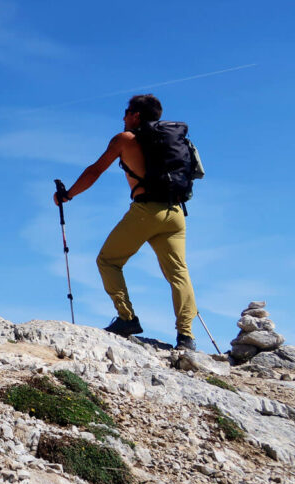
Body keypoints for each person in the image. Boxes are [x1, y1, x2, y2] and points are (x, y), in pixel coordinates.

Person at [53, 94, 198, 350]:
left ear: (136, 116)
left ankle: (127, 318)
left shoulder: (125, 139)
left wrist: (68, 195)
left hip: (146, 211)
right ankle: (186, 337)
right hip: (175, 212)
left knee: (108, 261)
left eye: (126, 112)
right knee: (178, 274)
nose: (123, 117)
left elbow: (95, 170)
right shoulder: (175, 141)